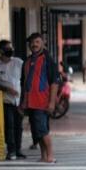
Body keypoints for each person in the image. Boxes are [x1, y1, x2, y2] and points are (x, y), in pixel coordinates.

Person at [20, 33, 60, 163]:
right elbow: (24, 83)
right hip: (30, 102)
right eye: (32, 42)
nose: (34, 44)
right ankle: (43, 156)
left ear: (43, 43)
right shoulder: (26, 61)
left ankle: (50, 156)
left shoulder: (48, 60)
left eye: (37, 41)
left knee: (42, 130)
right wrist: (22, 103)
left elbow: (54, 82)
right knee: (36, 130)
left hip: (42, 102)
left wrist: (52, 103)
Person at [0, 40, 25, 160]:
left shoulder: (18, 62)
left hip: (19, 101)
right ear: (1, 51)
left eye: (11, 48)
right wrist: (6, 89)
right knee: (9, 126)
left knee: (19, 126)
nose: (11, 50)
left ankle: (18, 150)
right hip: (6, 102)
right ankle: (11, 151)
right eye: (8, 48)